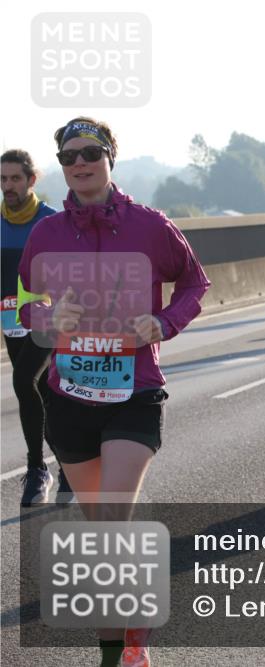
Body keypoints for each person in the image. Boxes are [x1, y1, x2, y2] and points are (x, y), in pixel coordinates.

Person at [18, 116, 210, 667]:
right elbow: (25, 304)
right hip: (71, 395)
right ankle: (114, 649)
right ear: (61, 167)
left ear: (110, 158)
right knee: (103, 534)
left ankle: (133, 649)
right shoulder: (47, 233)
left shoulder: (151, 226)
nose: (79, 163)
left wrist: (165, 322)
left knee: (112, 519)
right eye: (68, 156)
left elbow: (195, 283)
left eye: (90, 152)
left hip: (134, 392)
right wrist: (50, 317)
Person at [2, 149, 73, 506]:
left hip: (46, 319)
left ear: (32, 180)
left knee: (23, 380)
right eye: (2, 179)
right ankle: (67, 468)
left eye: (15, 178)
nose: (8, 186)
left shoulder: (50, 222)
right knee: (42, 393)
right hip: (10, 321)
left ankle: (36, 469)